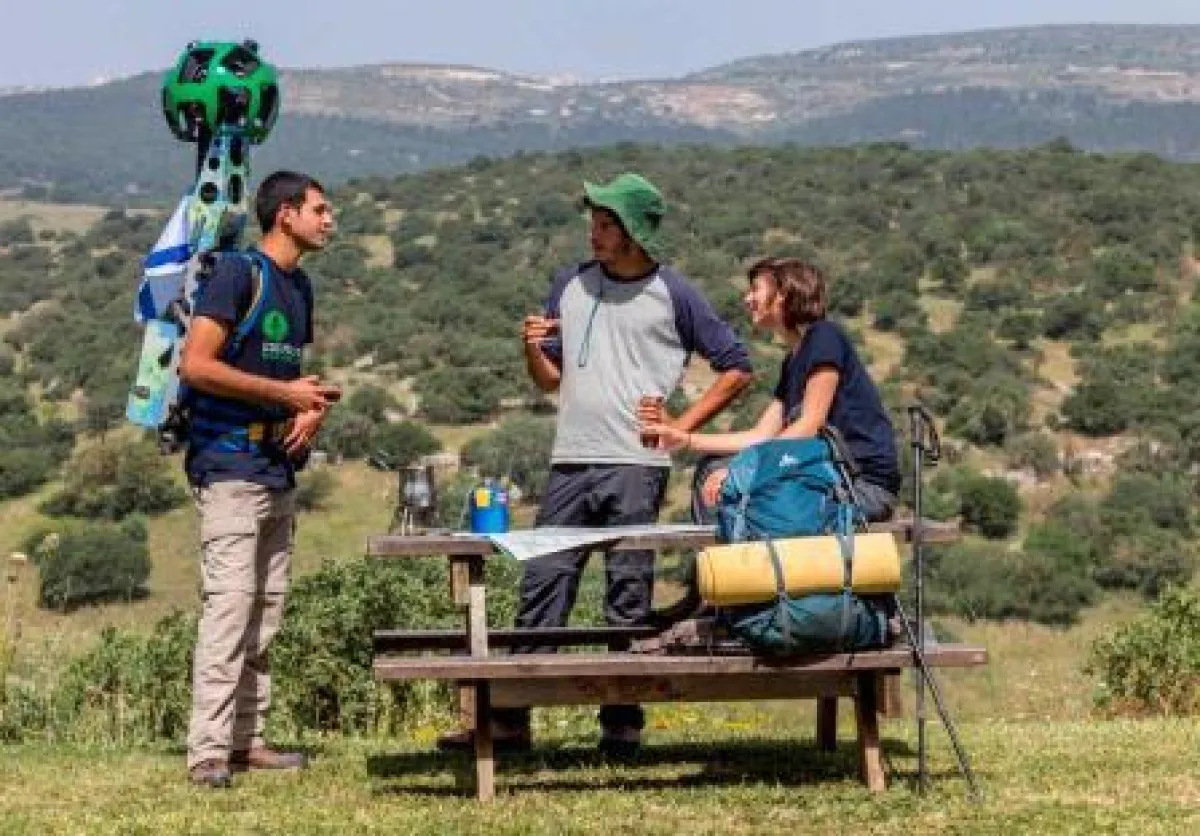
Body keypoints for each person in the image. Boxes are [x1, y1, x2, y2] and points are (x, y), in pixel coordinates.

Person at [440, 172, 753, 756]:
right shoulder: (569, 284)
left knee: (627, 587)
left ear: (633, 231)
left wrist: (683, 427)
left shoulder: (676, 293)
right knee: (544, 581)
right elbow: (550, 381)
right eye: (594, 221)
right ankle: (509, 720)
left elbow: (736, 366)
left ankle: (621, 724)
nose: (595, 233)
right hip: (571, 458)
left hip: (637, 462)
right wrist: (531, 347)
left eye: (607, 224)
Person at [180, 170, 341, 788]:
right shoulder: (236, 275)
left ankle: (249, 740)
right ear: (286, 215)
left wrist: (310, 409)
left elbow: (288, 377)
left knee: (266, 613)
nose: (329, 220)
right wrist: (283, 392)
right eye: (320, 210)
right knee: (228, 609)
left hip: (276, 468)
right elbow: (197, 366)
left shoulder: (298, 286)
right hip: (227, 467)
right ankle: (208, 753)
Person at [644, 257, 901, 522]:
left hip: (861, 486)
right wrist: (685, 440)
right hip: (825, 478)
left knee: (730, 481)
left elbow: (810, 424)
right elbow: (762, 434)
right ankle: (722, 560)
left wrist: (743, 470)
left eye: (756, 289)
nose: (747, 298)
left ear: (783, 294)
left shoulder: (825, 337)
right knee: (712, 466)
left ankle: (731, 560)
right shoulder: (793, 361)